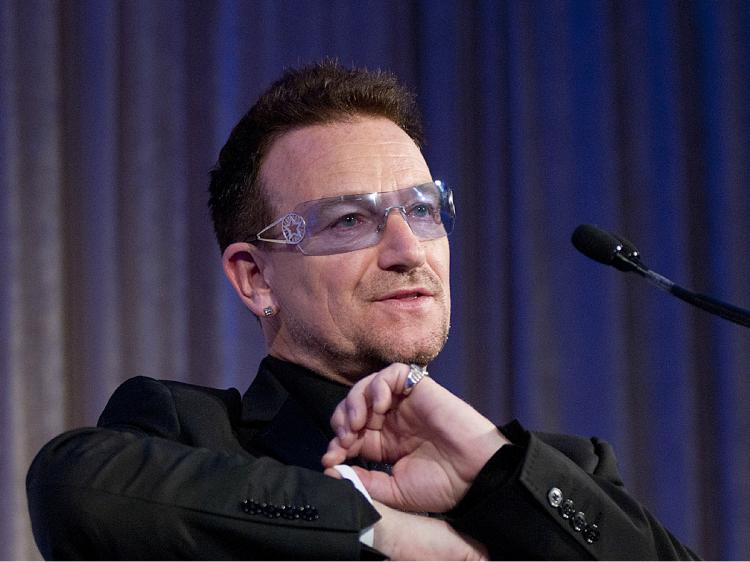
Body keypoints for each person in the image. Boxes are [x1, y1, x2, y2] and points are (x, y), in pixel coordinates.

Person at [26, 60, 699, 560]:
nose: (409, 250)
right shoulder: (193, 435)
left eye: (423, 211)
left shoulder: (560, 469)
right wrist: (386, 532)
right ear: (255, 278)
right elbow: (77, 491)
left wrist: (495, 468)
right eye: (350, 220)